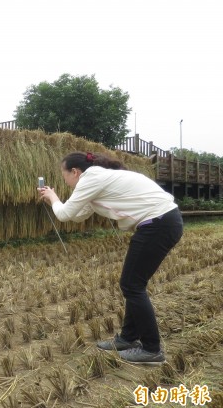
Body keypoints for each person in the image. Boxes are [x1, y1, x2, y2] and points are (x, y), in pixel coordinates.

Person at [38, 151, 183, 365]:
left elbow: (64, 214)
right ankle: (128, 338)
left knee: (132, 285)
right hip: (162, 222)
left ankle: (152, 349)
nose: (64, 180)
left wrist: (53, 198)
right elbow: (77, 215)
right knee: (134, 284)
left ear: (75, 172)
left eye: (64, 174)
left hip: (158, 224)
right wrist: (57, 201)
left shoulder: (91, 178)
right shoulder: (97, 181)